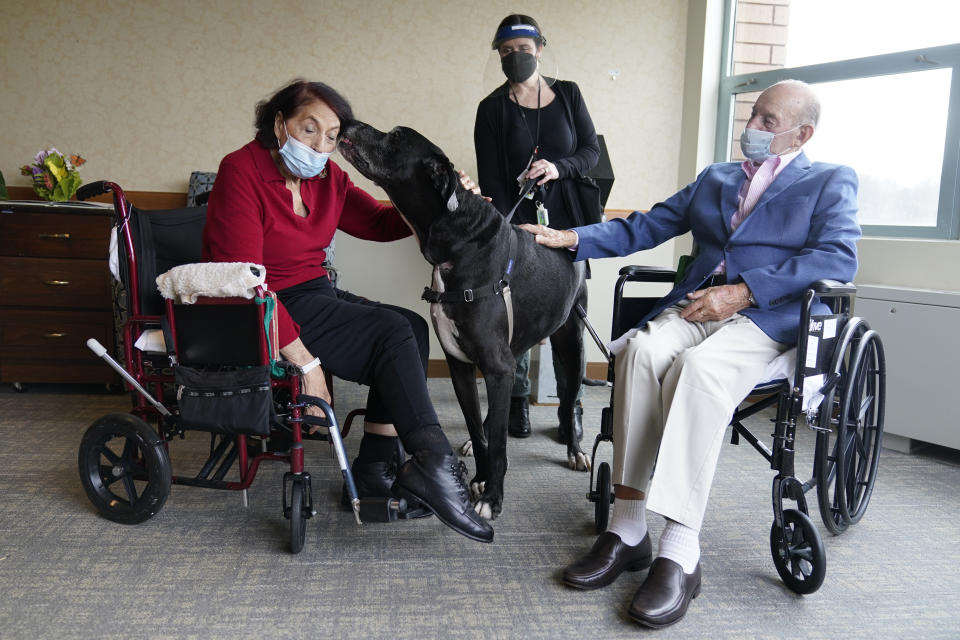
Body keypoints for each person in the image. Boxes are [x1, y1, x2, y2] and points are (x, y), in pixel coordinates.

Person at [521, 80, 859, 626]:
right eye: (754, 115)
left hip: (767, 315)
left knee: (699, 371)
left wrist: (744, 291)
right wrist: (570, 238)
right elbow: (648, 225)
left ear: (804, 133)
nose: (751, 127)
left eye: (768, 122)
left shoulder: (829, 181)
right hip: (700, 306)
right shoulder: (718, 177)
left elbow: (837, 259)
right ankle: (628, 528)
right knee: (639, 354)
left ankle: (681, 548)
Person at [202, 79, 493, 543]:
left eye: (331, 136)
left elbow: (378, 222)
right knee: (390, 334)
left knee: (411, 327)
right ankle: (435, 464)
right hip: (267, 303)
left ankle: (375, 468)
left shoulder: (328, 179)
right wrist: (307, 364)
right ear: (280, 124)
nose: (319, 145)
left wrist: (439, 200)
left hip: (314, 291)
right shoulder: (241, 171)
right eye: (308, 128)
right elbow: (244, 282)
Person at [474, 14, 600, 439]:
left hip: (567, 225)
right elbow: (490, 179)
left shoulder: (568, 95)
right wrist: (514, 233)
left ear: (540, 49)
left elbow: (590, 153)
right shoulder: (491, 108)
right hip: (519, 227)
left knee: (571, 318)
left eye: (523, 50)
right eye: (507, 52)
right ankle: (515, 401)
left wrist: (557, 167)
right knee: (516, 316)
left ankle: (571, 408)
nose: (516, 58)